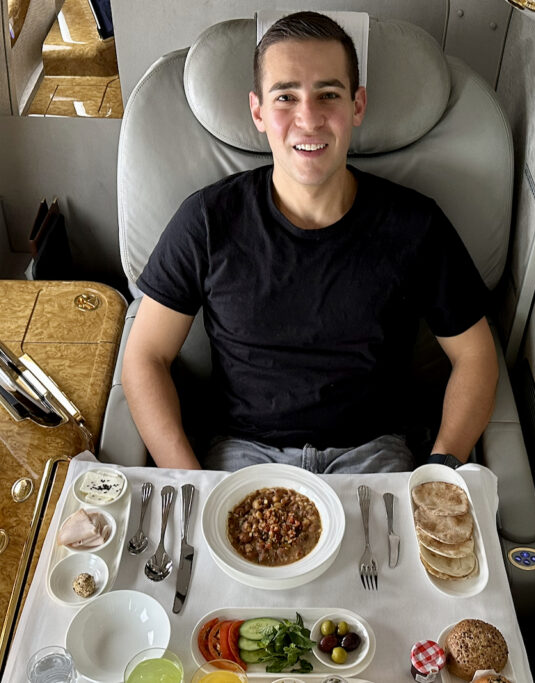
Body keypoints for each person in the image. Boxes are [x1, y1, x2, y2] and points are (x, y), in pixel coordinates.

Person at [122, 11, 498, 473]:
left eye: (328, 95)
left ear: (356, 105)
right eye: (286, 97)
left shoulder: (415, 225)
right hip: (244, 457)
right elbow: (145, 357)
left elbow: (476, 355)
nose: (309, 118)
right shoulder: (207, 220)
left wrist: (440, 469)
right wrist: (190, 481)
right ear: (258, 111)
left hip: (373, 456)